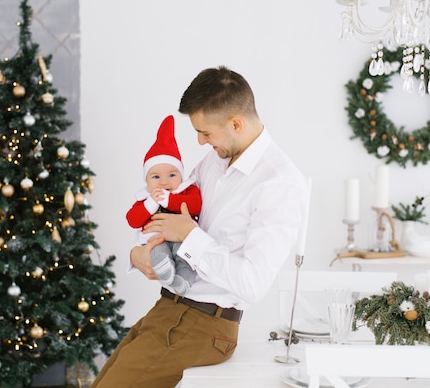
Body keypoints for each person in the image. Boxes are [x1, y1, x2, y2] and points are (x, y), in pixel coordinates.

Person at [91, 66, 308, 388]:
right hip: (170, 308)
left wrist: (189, 237)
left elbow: (252, 283)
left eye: (205, 132)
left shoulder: (280, 183)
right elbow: (172, 216)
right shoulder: (214, 161)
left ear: (236, 123)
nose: (200, 141)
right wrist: (139, 253)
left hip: (206, 324)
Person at [126, 115, 202, 295]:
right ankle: (165, 271)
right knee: (157, 253)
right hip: (156, 239)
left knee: (185, 256)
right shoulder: (145, 198)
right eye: (156, 177)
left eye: (172, 175)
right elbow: (132, 220)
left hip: (181, 239)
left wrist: (170, 200)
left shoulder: (185, 190)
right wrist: (150, 204)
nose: (164, 182)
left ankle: (182, 282)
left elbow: (195, 206)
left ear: (181, 175)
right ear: (146, 180)